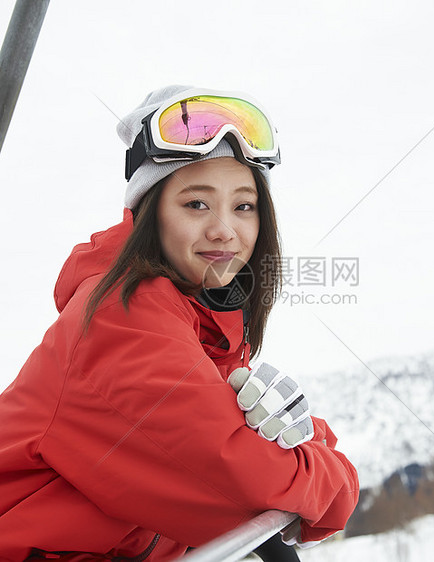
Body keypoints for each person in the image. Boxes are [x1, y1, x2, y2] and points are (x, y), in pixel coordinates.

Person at [0, 85, 359, 561]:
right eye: (196, 204)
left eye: (244, 205)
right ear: (150, 213)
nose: (224, 229)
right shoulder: (120, 319)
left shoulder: (205, 333)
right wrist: (323, 468)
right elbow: (237, 489)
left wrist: (302, 439)